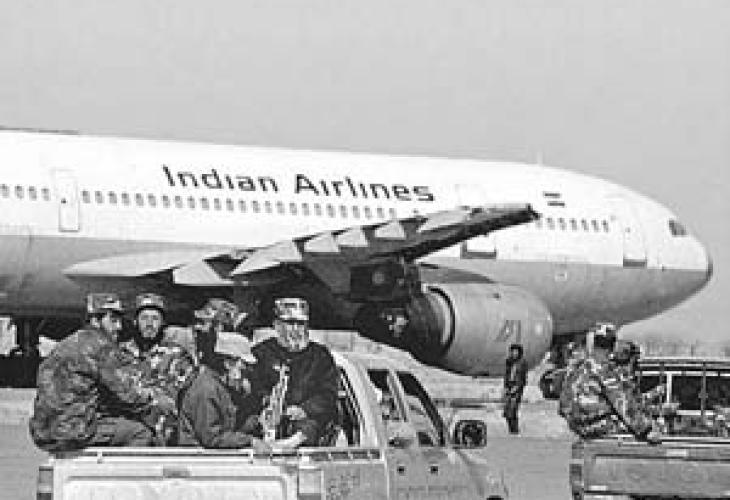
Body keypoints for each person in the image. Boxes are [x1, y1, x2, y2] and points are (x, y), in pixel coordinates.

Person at [29, 293, 175, 451]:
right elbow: (128, 395)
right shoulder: (101, 346)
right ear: (95, 320)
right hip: (73, 431)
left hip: (43, 432)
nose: (119, 327)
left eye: (119, 320)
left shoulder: (67, 343)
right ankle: (119, 468)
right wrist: (156, 401)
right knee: (140, 433)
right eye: (113, 320)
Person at [249, 298, 338, 448]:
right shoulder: (261, 352)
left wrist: (304, 410)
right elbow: (252, 388)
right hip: (265, 422)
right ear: (277, 325)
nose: (296, 329)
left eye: (301, 324)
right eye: (290, 323)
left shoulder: (320, 356)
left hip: (305, 428)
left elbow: (328, 394)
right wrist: (267, 405)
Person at [177, 299, 266, 449]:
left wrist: (253, 423)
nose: (247, 370)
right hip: (198, 457)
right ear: (228, 364)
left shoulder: (222, 386)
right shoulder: (207, 389)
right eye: (243, 365)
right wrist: (250, 441)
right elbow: (211, 438)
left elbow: (226, 427)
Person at [559, 323, 659, 442]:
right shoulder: (605, 370)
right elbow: (622, 404)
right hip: (600, 426)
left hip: (576, 426)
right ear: (612, 346)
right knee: (656, 426)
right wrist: (646, 430)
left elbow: (563, 406)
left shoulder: (575, 369)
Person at [120, 293, 167, 361]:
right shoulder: (121, 351)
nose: (149, 324)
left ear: (162, 323)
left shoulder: (174, 354)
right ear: (135, 321)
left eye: (155, 318)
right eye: (144, 318)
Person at [503, 343, 528, 434]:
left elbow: (523, 378)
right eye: (513, 351)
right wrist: (505, 387)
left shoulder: (522, 363)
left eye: (516, 352)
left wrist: (517, 387)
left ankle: (514, 429)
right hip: (509, 386)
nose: (514, 353)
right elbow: (506, 375)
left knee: (513, 409)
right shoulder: (509, 362)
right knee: (506, 410)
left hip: (517, 388)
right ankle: (511, 429)